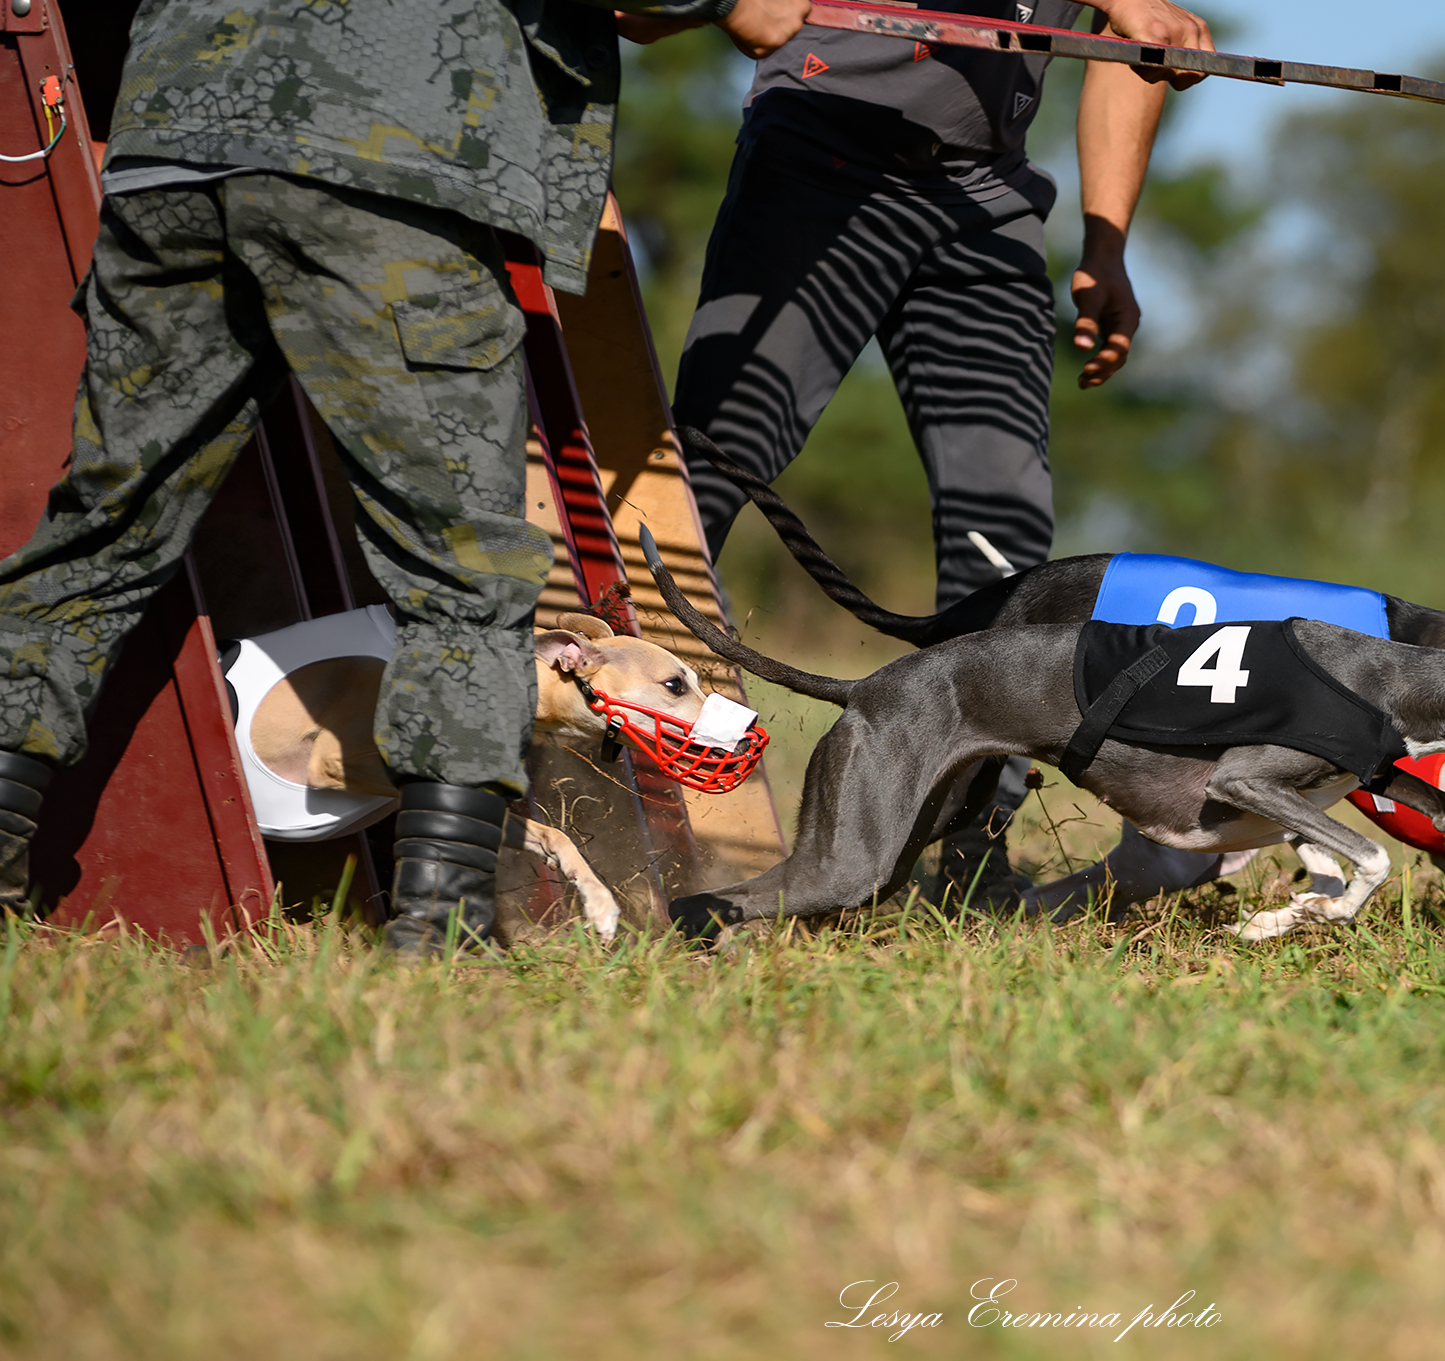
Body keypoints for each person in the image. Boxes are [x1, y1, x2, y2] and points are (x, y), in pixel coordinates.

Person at [0, 0, 808, 954]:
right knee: (465, 573)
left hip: (173, 141)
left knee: (103, 528)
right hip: (387, 148)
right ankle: (442, 931)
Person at [659, 0, 1213, 906]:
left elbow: (1126, 41)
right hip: (822, 157)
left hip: (983, 202)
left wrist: (1106, 242)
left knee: (1006, 545)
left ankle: (967, 851)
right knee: (714, 468)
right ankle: (585, 787)